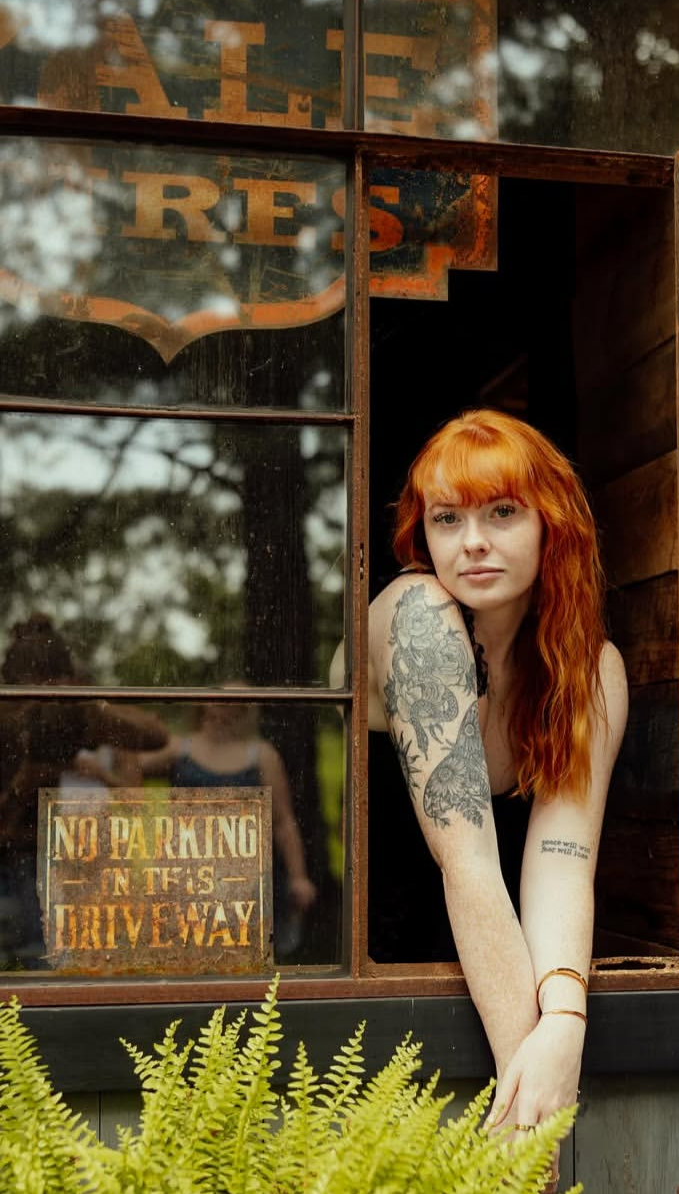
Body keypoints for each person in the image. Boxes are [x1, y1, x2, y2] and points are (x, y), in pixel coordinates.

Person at [360, 408, 628, 1171]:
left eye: (502, 511)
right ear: (424, 537)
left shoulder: (588, 667)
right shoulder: (420, 618)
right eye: (448, 518)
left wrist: (566, 1025)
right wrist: (532, 1128)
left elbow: (562, 860)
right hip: (381, 994)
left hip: (500, 977)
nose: (472, 540)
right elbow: (470, 862)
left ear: (553, 525)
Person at [0, 614, 168, 965]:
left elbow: (153, 737)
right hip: (18, 855)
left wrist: (87, 705)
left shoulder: (73, 715)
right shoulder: (10, 721)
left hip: (48, 856)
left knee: (44, 962)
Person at [138, 694, 317, 943]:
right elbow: (127, 772)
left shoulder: (261, 755)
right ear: (205, 703)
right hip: (187, 877)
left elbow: (283, 821)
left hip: (245, 879)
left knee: (245, 955)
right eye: (221, 700)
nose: (226, 707)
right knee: (188, 950)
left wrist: (298, 877)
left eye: (238, 703)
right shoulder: (179, 749)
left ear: (247, 711)